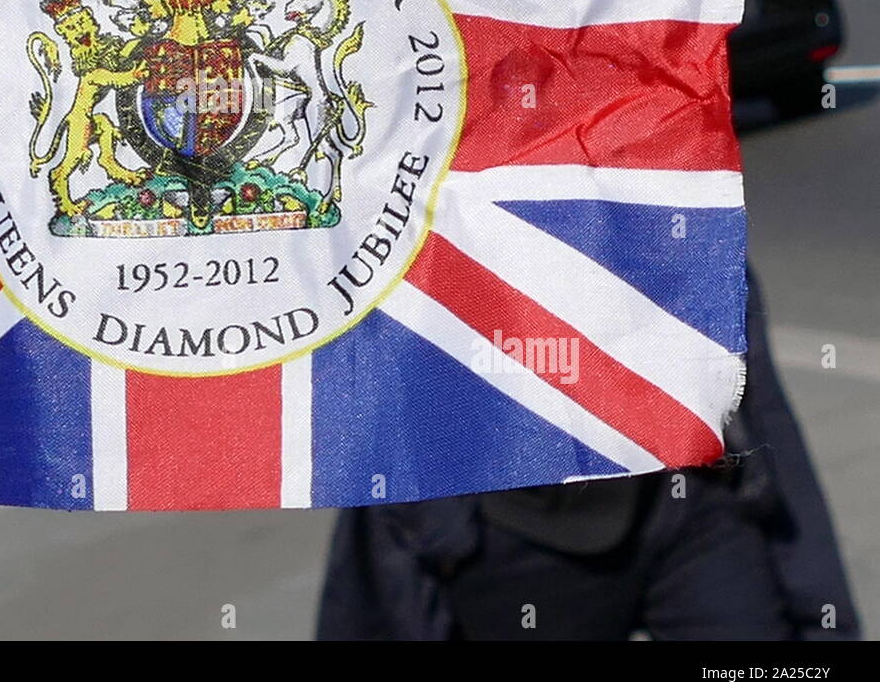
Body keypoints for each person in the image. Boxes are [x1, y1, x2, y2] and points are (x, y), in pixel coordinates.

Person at [316, 271, 860, 640]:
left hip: (681, 494)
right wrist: (437, 530)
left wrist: (824, 623)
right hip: (505, 524)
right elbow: (386, 362)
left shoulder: (664, 140)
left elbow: (757, 403)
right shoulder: (444, 140)